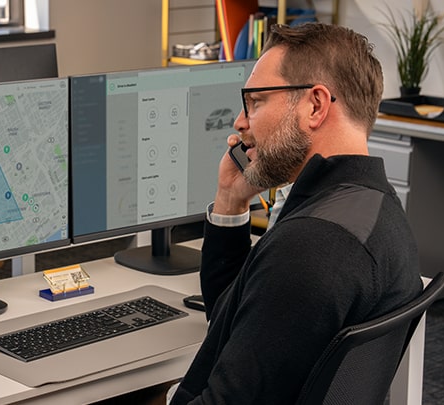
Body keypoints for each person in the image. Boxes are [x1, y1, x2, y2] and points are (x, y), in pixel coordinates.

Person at [168, 22, 423, 404]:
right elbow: (235, 319)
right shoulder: (376, 208)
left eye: (256, 102)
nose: (240, 122)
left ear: (315, 106)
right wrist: (231, 200)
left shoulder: (312, 245)